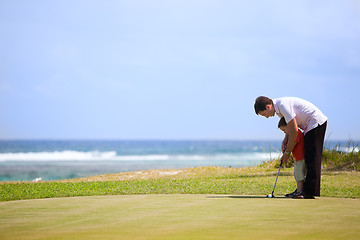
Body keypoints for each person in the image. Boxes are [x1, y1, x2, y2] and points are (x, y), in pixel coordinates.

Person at [254, 96, 327, 199]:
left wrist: (287, 153)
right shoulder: (279, 110)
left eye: (264, 114)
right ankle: (301, 190)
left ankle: (309, 192)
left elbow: (294, 130)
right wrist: (285, 140)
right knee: (309, 157)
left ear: (268, 107)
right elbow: (290, 127)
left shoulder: (283, 106)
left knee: (312, 157)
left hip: (315, 122)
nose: (266, 117)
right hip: (309, 126)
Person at [278, 117, 306, 198]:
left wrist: (287, 150)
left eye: (284, 130)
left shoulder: (296, 133)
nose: (285, 132)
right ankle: (298, 190)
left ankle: (300, 191)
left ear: (289, 126)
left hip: (301, 158)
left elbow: (293, 143)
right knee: (297, 174)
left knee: (299, 175)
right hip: (297, 158)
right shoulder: (292, 134)